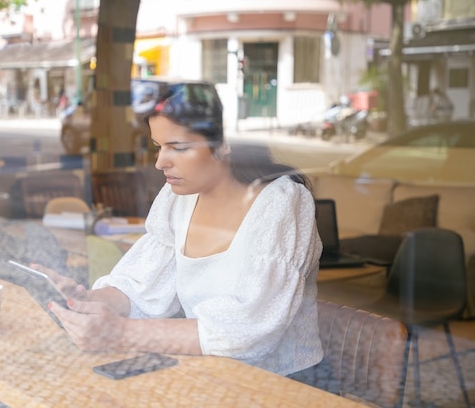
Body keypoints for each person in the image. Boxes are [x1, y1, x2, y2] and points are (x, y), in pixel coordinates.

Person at [33, 83, 323, 376]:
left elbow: (250, 328)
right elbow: (145, 288)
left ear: (224, 144)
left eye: (178, 148)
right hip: (209, 374)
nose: (160, 162)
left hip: (281, 384)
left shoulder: (282, 202)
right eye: (159, 147)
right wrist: (88, 302)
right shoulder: (178, 198)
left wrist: (120, 332)